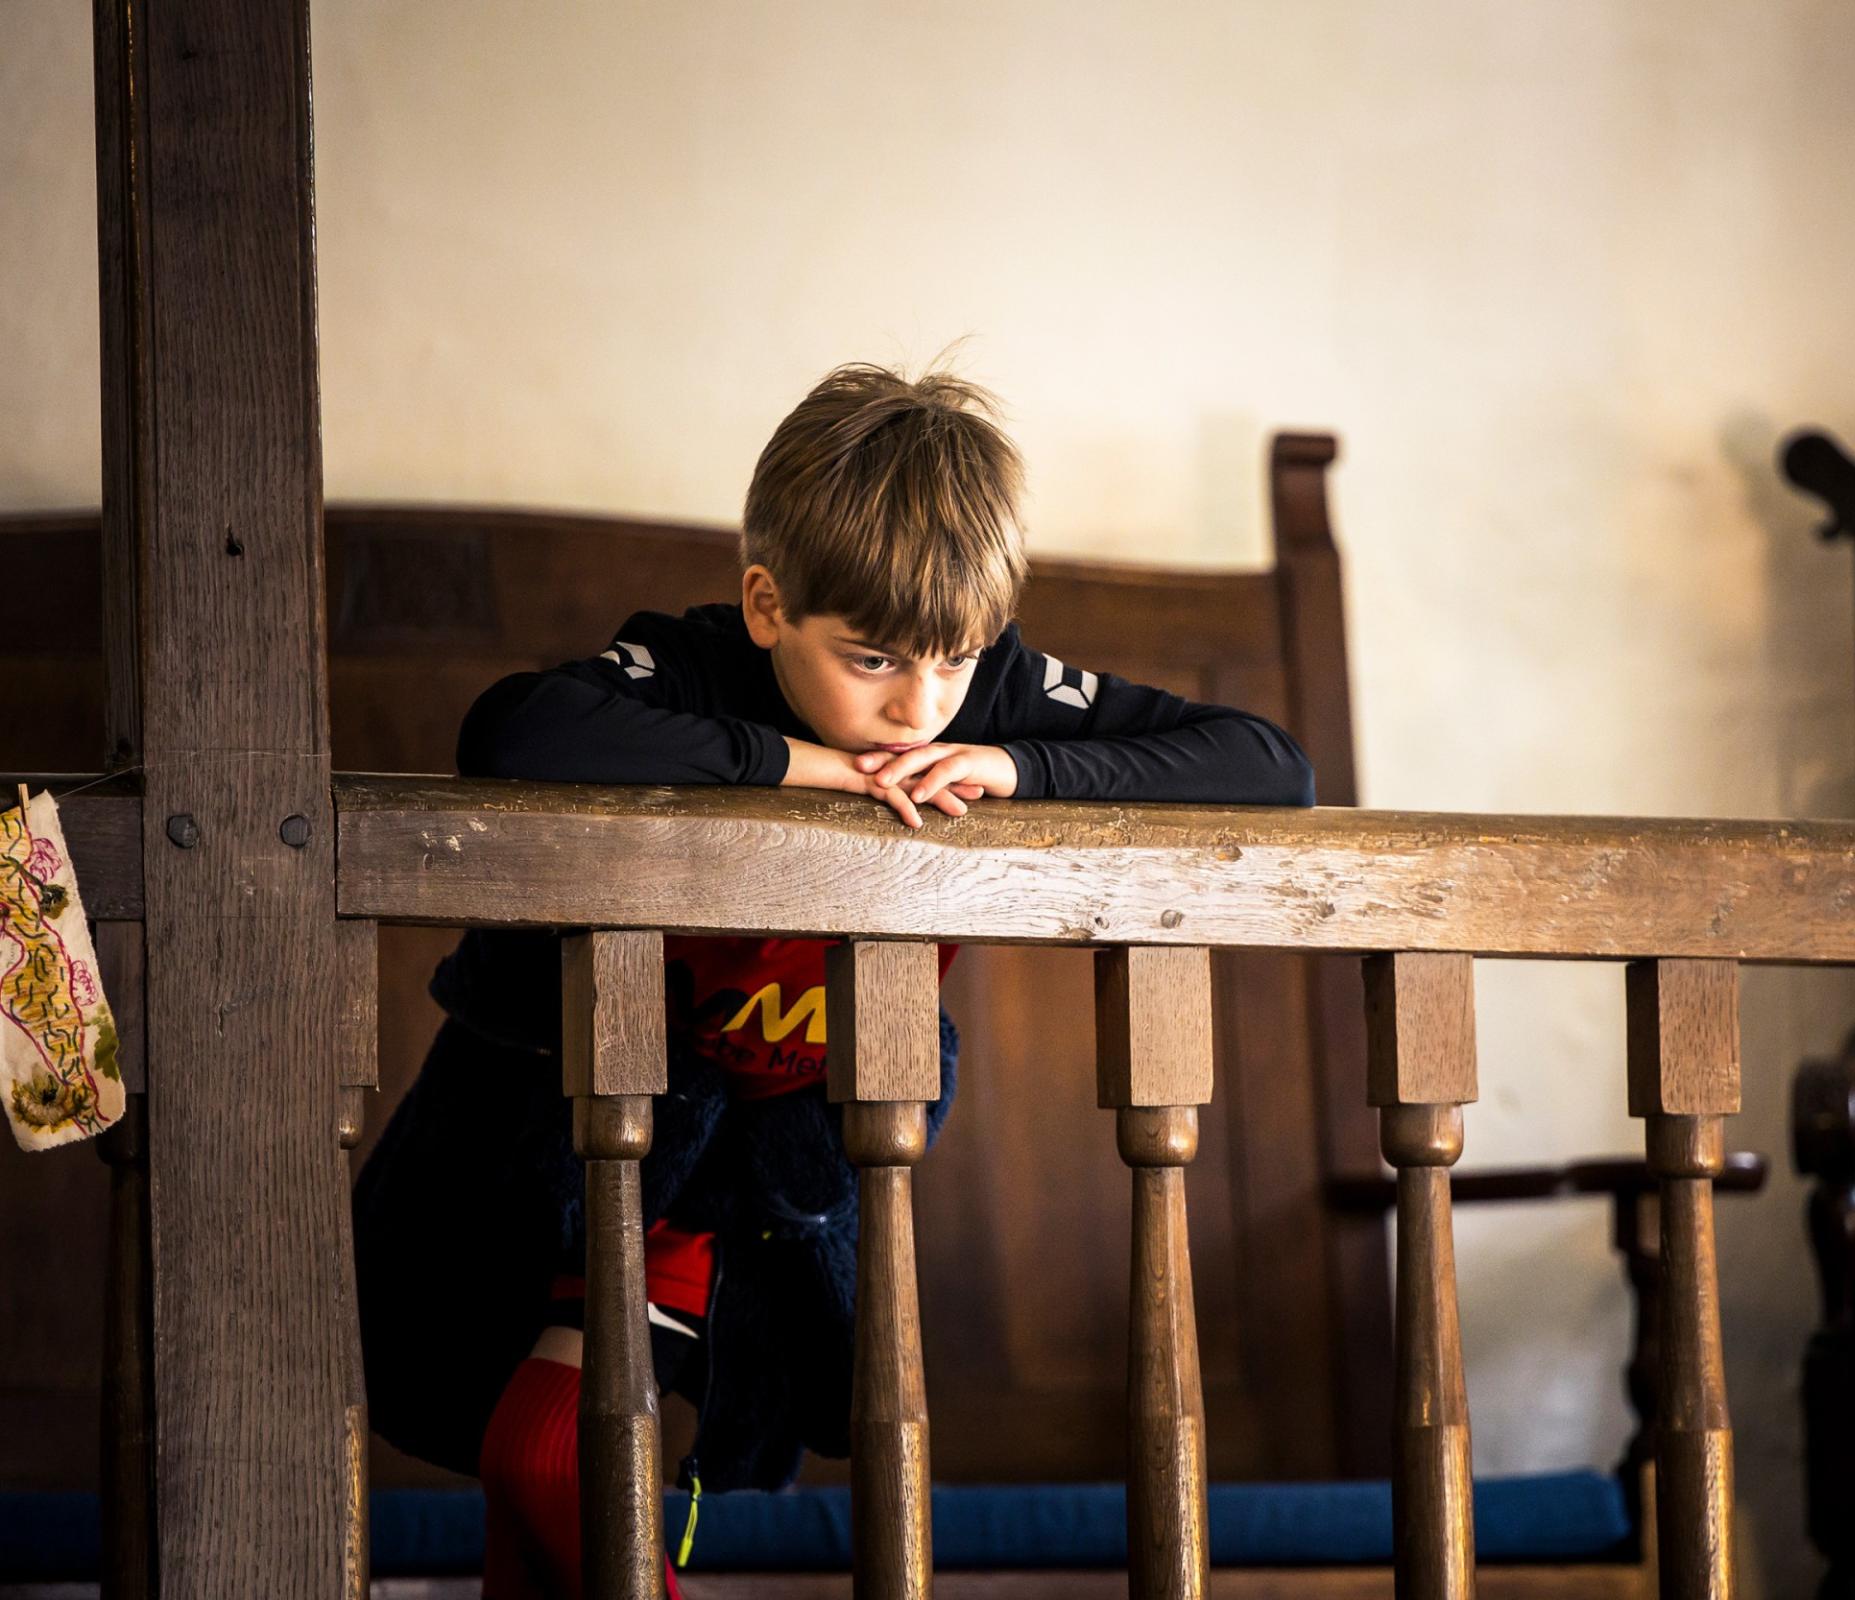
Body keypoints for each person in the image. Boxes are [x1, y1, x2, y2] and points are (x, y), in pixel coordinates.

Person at [352, 363, 1315, 1599]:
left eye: (953, 662)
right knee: (532, 1461)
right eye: (870, 662)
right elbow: (512, 734)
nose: (918, 708)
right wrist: (805, 766)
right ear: (766, 604)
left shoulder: (994, 691)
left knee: (553, 1458)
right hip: (562, 1118)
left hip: (761, 1172)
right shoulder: (695, 666)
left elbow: (1268, 765)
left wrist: (1020, 768)